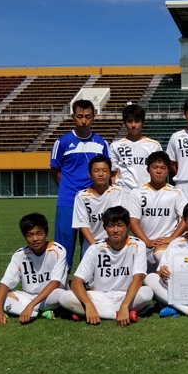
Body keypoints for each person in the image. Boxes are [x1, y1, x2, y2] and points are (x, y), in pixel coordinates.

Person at [59, 206, 154, 325]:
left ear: (128, 226)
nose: (115, 230)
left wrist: (125, 305)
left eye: (120, 225)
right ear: (104, 227)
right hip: (100, 296)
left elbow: (138, 278)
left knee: (147, 293)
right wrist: (88, 305)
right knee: (65, 297)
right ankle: (118, 314)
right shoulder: (95, 248)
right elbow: (76, 282)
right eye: (111, 226)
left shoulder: (137, 245)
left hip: (127, 295)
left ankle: (88, 312)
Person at [50, 99, 110, 268]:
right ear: (73, 117)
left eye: (88, 117)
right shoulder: (62, 142)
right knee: (63, 244)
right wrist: (67, 188)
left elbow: (106, 171)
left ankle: (87, 278)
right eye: (80, 116)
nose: (84, 121)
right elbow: (55, 170)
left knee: (91, 243)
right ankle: (61, 278)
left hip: (93, 202)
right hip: (68, 201)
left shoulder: (101, 143)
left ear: (93, 118)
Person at [0, 213, 67, 325]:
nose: (35, 239)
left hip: (49, 297)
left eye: (39, 233)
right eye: (30, 235)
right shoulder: (20, 254)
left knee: (60, 294)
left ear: (46, 232)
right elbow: (5, 283)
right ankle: (38, 313)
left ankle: (21, 309)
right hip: (27, 296)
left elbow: (55, 283)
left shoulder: (58, 251)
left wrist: (30, 306)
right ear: (24, 236)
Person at [128, 151, 187, 273]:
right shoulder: (137, 192)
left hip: (168, 245)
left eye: (163, 168)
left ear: (168, 170)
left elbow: (186, 218)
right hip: (144, 244)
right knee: (143, 280)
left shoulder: (176, 193)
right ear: (148, 169)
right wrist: (148, 242)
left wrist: (171, 238)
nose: (159, 171)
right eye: (155, 167)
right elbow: (133, 221)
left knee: (165, 270)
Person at [72, 156, 123, 258]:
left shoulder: (117, 192)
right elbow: (83, 225)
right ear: (89, 174)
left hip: (114, 243)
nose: (100, 174)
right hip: (91, 244)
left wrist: (112, 244)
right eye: (96, 171)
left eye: (104, 170)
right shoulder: (81, 196)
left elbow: (119, 220)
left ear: (110, 173)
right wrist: (96, 247)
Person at [109, 104, 162, 196]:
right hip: (124, 193)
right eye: (129, 121)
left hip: (148, 192)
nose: (133, 125)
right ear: (124, 123)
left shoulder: (154, 145)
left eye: (137, 121)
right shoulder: (115, 146)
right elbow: (113, 173)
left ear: (143, 122)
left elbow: (160, 171)